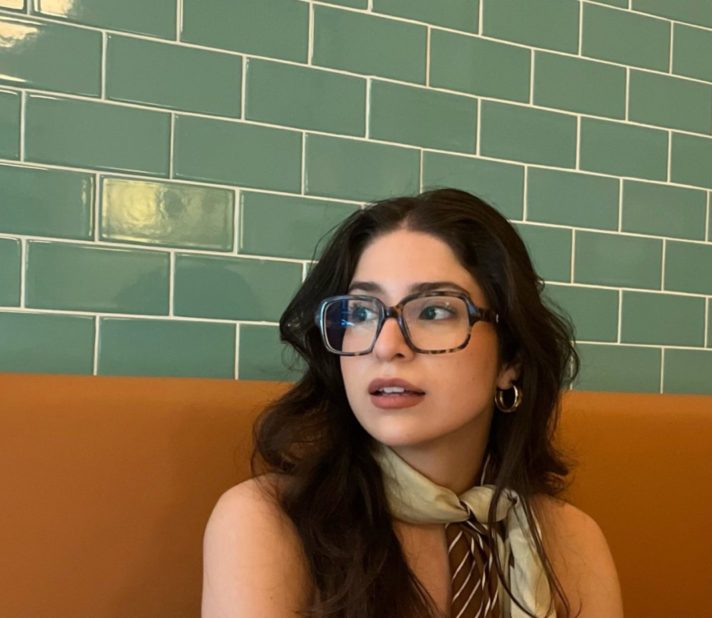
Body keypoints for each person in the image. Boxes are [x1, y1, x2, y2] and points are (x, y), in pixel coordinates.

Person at [201, 188, 623, 617]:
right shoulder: (269, 522)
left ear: (510, 360)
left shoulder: (571, 541)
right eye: (361, 313)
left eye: (435, 311)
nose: (386, 346)